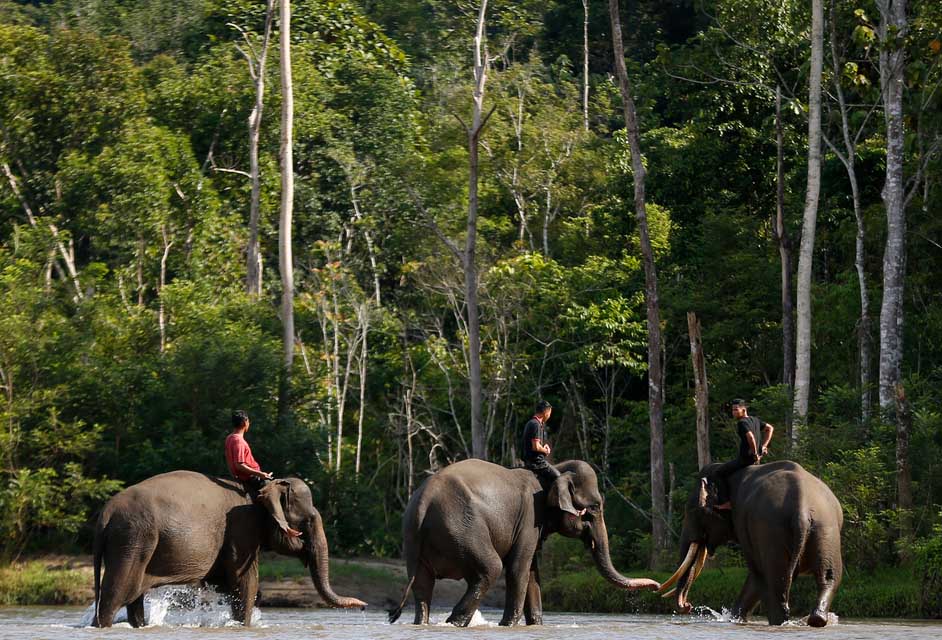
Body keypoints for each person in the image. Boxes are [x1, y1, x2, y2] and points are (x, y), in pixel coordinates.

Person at [225, 410, 301, 537]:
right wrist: (261, 475)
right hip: (252, 477)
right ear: (245, 423)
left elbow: (229, 460)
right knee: (272, 492)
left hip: (246, 475)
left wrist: (234, 474)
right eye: (248, 421)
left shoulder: (229, 438)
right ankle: (284, 527)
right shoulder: (239, 441)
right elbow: (239, 464)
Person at [712, 398, 774, 510]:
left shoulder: (742, 423)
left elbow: (750, 436)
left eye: (736, 410)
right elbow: (770, 428)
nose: (734, 412)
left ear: (744, 409)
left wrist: (755, 452)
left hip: (745, 460)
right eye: (732, 410)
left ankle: (726, 502)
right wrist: (764, 446)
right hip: (756, 459)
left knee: (718, 473)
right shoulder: (755, 420)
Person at [521, 400, 561, 487]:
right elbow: (535, 447)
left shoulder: (530, 423)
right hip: (536, 463)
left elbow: (535, 445)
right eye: (550, 412)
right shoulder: (536, 425)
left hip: (528, 461)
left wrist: (542, 447)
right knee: (558, 477)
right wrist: (545, 450)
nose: (550, 415)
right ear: (546, 412)